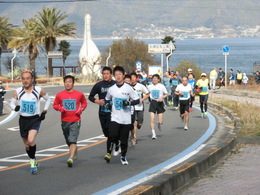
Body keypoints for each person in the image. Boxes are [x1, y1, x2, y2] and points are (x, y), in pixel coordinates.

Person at [9, 71, 51, 174]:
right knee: (27, 145)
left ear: (32, 79)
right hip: (23, 120)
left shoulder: (39, 90)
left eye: (28, 78)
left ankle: (32, 162)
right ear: (22, 80)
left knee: (31, 140)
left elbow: (48, 99)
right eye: (23, 78)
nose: (25, 80)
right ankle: (34, 159)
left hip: (34, 119)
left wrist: (44, 111)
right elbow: (11, 103)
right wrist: (15, 108)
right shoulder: (17, 91)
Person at [104, 66, 140, 165]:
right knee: (112, 135)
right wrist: (107, 104)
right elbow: (107, 99)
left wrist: (128, 103)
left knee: (124, 140)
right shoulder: (111, 89)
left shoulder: (129, 88)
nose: (118, 76)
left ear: (124, 75)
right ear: (114, 76)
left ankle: (123, 157)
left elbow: (137, 100)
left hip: (126, 119)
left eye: (120, 74)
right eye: (116, 75)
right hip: (115, 117)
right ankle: (113, 147)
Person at [53, 75, 87, 167]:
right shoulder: (60, 95)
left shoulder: (79, 94)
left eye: (70, 82)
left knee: (73, 139)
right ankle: (74, 149)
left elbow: (84, 102)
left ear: (73, 83)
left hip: (76, 120)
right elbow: (55, 105)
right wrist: (60, 108)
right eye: (66, 82)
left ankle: (70, 158)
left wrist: (81, 109)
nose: (68, 83)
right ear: (64, 83)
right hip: (64, 120)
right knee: (68, 139)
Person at [88, 67, 116, 157]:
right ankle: (115, 140)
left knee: (111, 132)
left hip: (114, 113)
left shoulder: (116, 84)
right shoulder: (98, 85)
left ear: (111, 74)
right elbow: (90, 96)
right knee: (106, 132)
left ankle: (108, 153)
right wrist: (97, 101)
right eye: (104, 74)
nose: (106, 75)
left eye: (107, 73)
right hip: (103, 112)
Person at [130, 72, 150, 145]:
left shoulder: (140, 86)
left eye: (134, 78)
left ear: (136, 78)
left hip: (140, 106)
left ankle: (140, 123)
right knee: (133, 122)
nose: (132, 79)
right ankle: (134, 137)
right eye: (131, 78)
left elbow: (147, 94)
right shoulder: (128, 86)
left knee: (139, 121)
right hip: (131, 107)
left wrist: (141, 100)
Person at [147, 74, 168, 139]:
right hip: (153, 102)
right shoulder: (149, 86)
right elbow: (146, 94)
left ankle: (159, 124)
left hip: (160, 103)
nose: (154, 79)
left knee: (160, 121)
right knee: (152, 119)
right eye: (153, 78)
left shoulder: (161, 86)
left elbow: (166, 94)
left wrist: (162, 97)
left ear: (158, 80)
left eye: (156, 78)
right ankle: (153, 134)